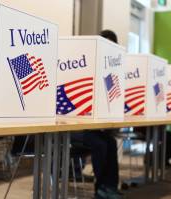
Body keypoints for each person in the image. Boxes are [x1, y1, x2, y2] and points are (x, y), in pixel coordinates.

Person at [71, 30, 122, 199]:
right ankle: (100, 189)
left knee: (111, 142)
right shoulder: (87, 65)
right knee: (101, 144)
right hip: (73, 127)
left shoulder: (112, 71)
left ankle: (111, 187)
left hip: (91, 128)